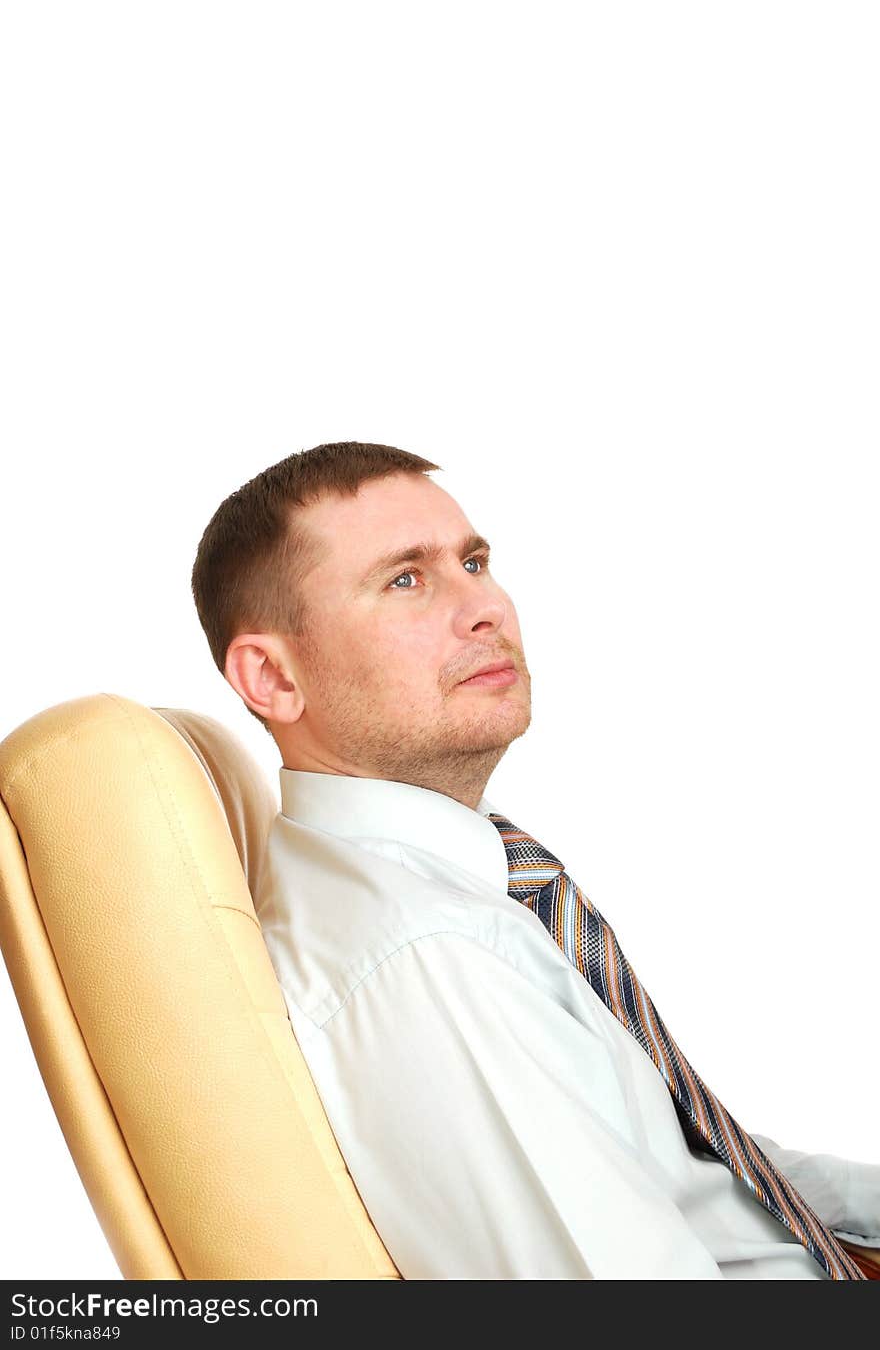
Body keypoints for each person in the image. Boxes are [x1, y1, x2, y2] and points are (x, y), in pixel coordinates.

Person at [191, 441, 880, 1279]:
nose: (485, 607)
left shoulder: (466, 884)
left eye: (474, 560)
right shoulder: (428, 955)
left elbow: (697, 1173)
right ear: (272, 677)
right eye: (405, 578)